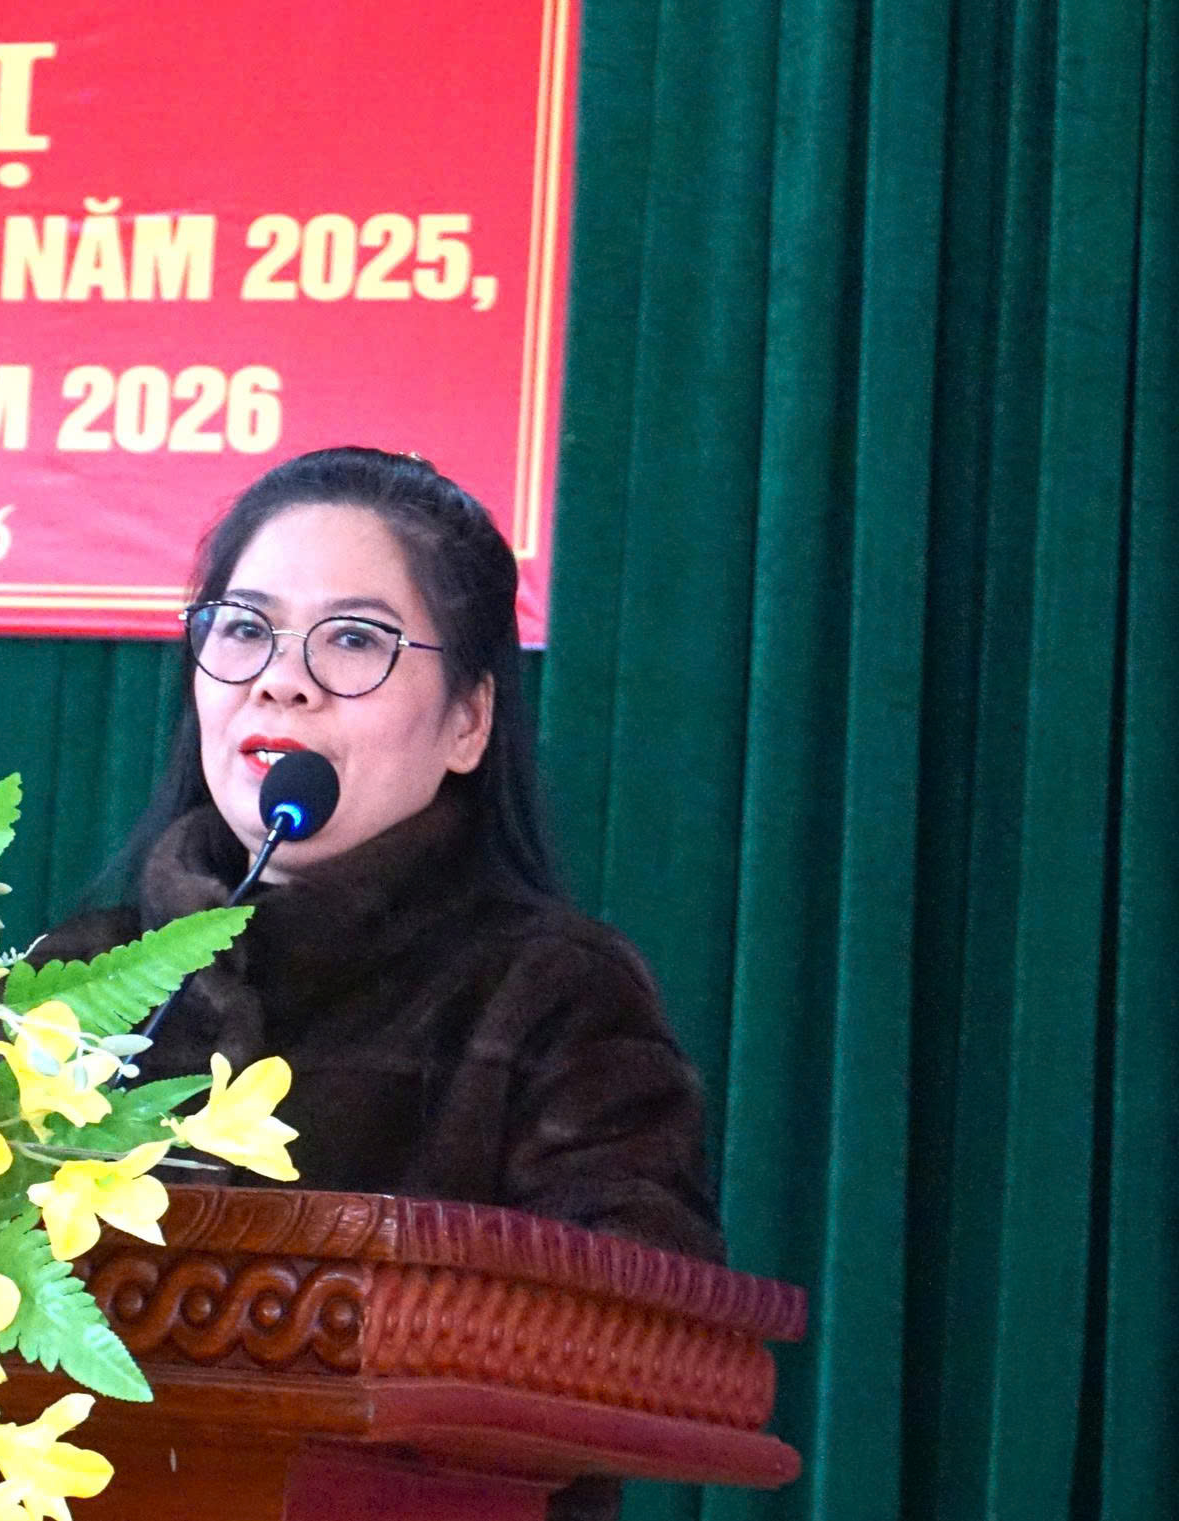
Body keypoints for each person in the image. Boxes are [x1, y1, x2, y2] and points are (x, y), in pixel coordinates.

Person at [45, 449, 720, 1517]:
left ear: (468, 722)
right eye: (244, 629)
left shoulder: (553, 997)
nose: (282, 679)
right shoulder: (81, 978)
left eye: (354, 639)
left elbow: (633, 1341)